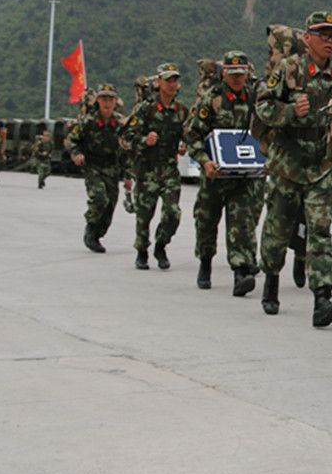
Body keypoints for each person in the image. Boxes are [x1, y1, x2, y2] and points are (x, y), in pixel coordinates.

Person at [256, 12, 332, 325]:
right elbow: (263, 106)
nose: (329, 41)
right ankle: (271, 282)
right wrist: (290, 111)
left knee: (320, 229)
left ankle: (322, 299)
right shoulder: (288, 68)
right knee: (278, 227)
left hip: (320, 164)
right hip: (287, 162)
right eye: (323, 35)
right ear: (307, 38)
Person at [183, 51, 264, 295]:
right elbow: (193, 135)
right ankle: (205, 263)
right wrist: (205, 162)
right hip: (215, 175)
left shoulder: (255, 98)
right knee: (206, 220)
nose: (237, 78)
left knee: (241, 223)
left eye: (241, 73)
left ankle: (240, 273)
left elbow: (266, 131)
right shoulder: (212, 98)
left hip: (243, 176)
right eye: (232, 73)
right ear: (224, 73)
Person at [122, 63, 188, 271]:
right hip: (147, 170)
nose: (171, 84)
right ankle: (142, 251)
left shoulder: (181, 111)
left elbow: (190, 134)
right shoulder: (146, 109)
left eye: (174, 80)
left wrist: (185, 144)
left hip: (169, 170)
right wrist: (144, 140)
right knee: (144, 215)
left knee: (173, 213)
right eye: (167, 80)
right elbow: (125, 138)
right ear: (158, 82)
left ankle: (161, 245)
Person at [65, 84, 132, 253]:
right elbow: (72, 140)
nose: (107, 103)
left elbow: (126, 150)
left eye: (110, 99)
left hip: (112, 168)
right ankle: (91, 227)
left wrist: (128, 175)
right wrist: (76, 153)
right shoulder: (88, 121)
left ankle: (98, 234)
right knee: (100, 198)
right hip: (93, 165)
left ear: (115, 101)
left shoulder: (120, 123)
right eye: (104, 99)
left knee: (110, 204)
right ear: (98, 101)